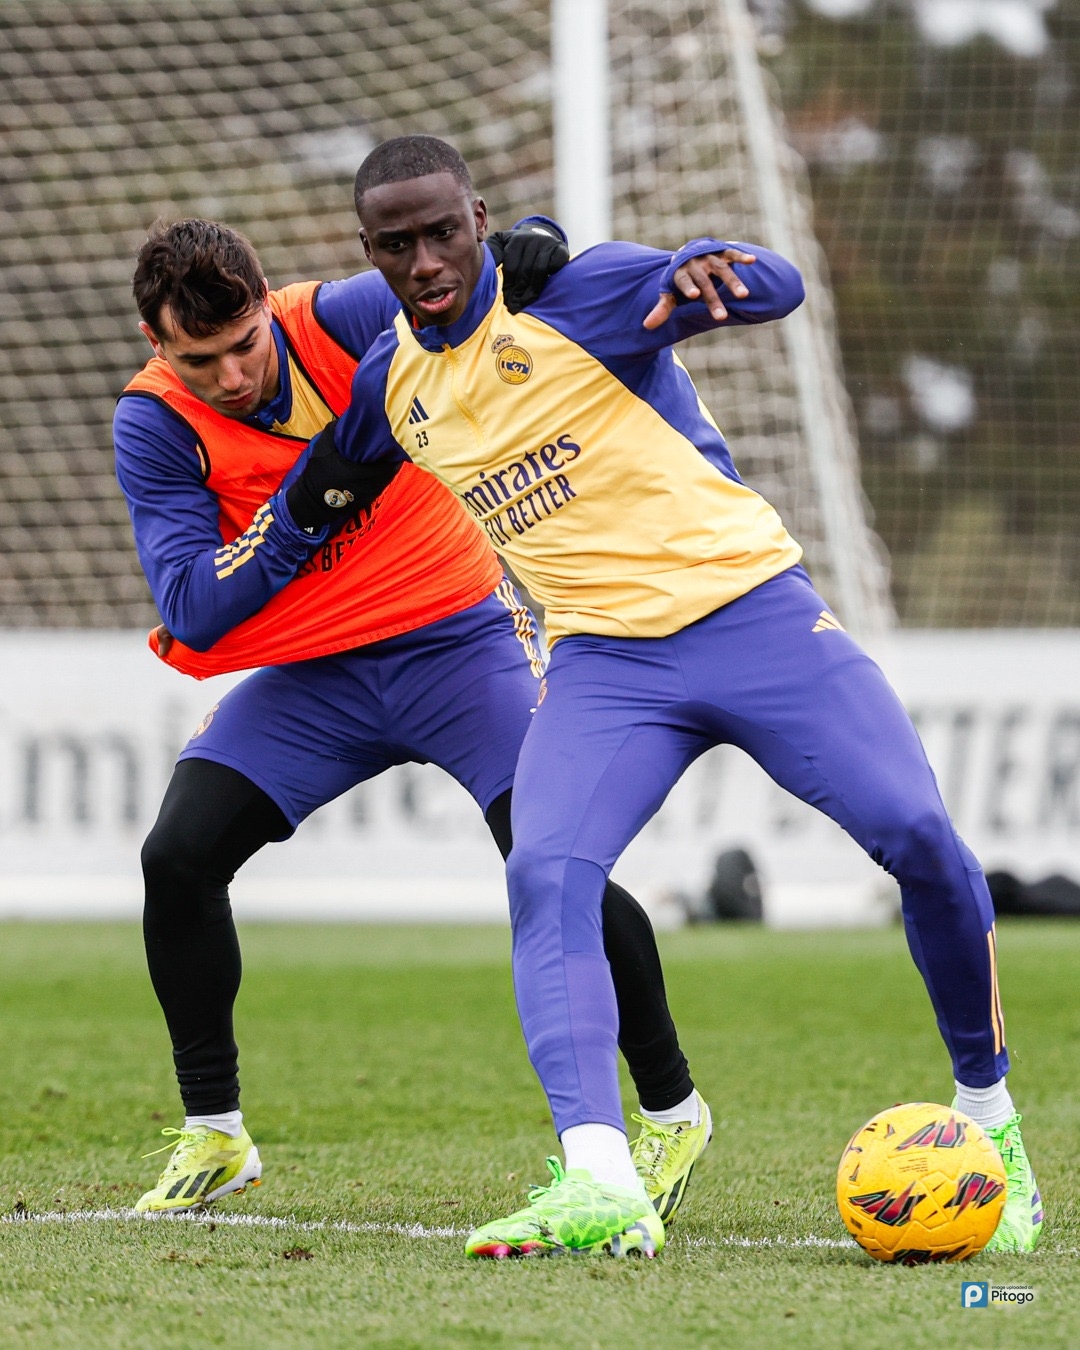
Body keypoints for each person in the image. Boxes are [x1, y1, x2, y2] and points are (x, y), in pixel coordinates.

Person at [330, 134, 1043, 1260]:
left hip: (753, 615)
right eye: (395, 245)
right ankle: (600, 1178)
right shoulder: (392, 383)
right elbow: (321, 486)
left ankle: (990, 1120)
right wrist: (213, 594)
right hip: (605, 668)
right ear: (367, 252)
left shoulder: (578, 291)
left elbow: (778, 286)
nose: (424, 262)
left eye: (441, 233)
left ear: (479, 219)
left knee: (918, 835)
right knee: (545, 874)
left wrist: (711, 263)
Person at [114, 219, 713, 1219]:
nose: (230, 376)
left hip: (457, 645)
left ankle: (672, 1110)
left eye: (244, 344)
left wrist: (536, 245)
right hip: (319, 676)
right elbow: (193, 606)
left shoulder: (346, 317)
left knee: (551, 863)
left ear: (269, 304)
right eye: (198, 359)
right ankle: (216, 1133)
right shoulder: (154, 423)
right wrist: (310, 503)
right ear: (155, 342)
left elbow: (474, 282)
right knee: (177, 857)